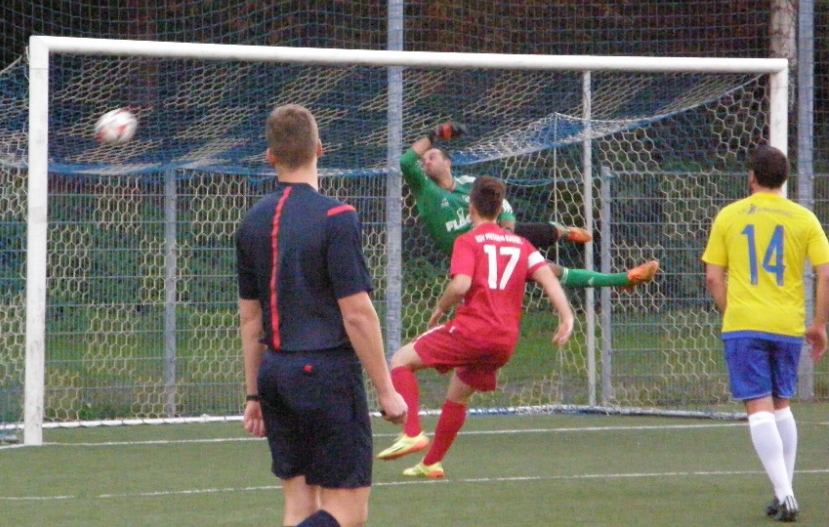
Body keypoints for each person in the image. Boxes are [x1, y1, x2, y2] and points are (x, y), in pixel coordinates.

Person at [237, 104, 407, 527]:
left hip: (276, 375)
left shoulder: (252, 222)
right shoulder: (336, 217)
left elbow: (250, 320)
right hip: (325, 374)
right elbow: (357, 314)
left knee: (300, 508)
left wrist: (254, 395)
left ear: (270, 156)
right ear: (319, 148)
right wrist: (386, 389)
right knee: (347, 511)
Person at [377, 175, 574, 478]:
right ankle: (430, 464)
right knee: (458, 396)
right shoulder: (521, 244)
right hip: (504, 341)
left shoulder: (468, 241)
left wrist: (440, 308)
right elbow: (548, 278)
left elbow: (460, 285)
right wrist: (567, 317)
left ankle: (412, 432)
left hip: (474, 330)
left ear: (471, 207)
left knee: (401, 360)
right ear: (500, 208)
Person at [702, 144, 829, 523]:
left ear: (752, 177)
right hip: (787, 325)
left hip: (745, 324)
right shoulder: (804, 218)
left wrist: (733, 312)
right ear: (785, 178)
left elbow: (713, 277)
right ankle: (783, 491)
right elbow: (825, 272)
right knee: (781, 405)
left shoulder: (729, 215)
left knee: (758, 407)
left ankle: (785, 493)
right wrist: (819, 324)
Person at [403, 122, 659, 289]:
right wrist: (434, 135)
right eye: (423, 160)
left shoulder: (470, 184)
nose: (426, 161)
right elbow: (405, 162)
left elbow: (502, 203)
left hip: (498, 243)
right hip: (475, 261)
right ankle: (621, 278)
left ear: (448, 162)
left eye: (432, 156)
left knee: (537, 240)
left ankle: (569, 235)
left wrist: (507, 232)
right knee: (551, 271)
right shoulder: (426, 191)